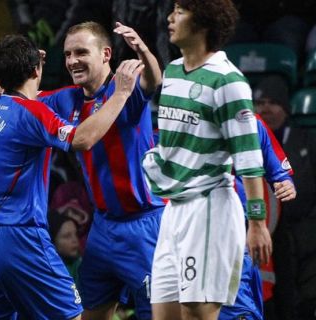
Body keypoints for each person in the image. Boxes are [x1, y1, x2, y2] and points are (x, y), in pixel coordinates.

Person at [0, 21, 164, 320]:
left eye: (80, 52)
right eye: (67, 54)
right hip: (100, 225)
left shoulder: (125, 87)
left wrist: (143, 51)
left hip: (142, 221)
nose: (72, 60)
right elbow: (14, 90)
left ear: (106, 54)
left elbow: (153, 79)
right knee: (90, 312)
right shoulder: (67, 99)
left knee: (161, 313)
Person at [141, 1, 272, 319]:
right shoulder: (171, 72)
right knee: (163, 314)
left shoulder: (228, 81)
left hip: (210, 209)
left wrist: (257, 222)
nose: (170, 18)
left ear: (203, 24)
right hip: (174, 211)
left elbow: (249, 157)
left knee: (198, 315)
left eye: (180, 12)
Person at [254, 75, 316, 319]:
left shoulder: (308, 142)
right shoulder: (248, 142)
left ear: (286, 108)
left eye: (273, 103)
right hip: (269, 237)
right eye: (260, 103)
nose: (266, 108)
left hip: (306, 233)